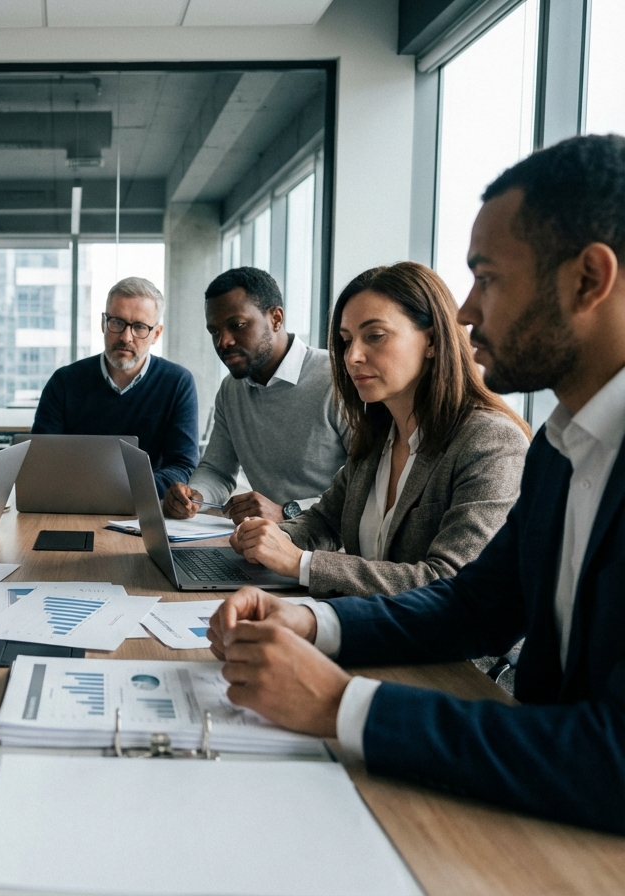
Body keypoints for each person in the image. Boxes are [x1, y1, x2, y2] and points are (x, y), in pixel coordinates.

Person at [208, 134, 625, 834]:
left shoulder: (509, 442)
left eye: (486, 277)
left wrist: (343, 706)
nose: (464, 311)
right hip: (542, 819)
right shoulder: (561, 445)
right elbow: (476, 604)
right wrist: (312, 620)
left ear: (588, 279)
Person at [229, 262, 530, 597]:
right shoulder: (378, 436)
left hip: (450, 650)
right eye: (346, 340)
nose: (352, 356)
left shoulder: (490, 441)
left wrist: (301, 563)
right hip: (369, 634)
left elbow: (452, 583)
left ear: (431, 341)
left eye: (375, 336)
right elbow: (325, 521)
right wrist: (271, 537)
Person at [164, 268, 349, 525]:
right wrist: (195, 497)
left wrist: (288, 511)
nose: (223, 342)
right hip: (268, 544)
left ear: (276, 318)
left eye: (237, 326)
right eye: (214, 331)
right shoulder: (231, 390)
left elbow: (366, 488)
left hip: (333, 550)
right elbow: (217, 470)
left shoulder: (337, 379)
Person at [31, 276, 198, 495]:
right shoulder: (64, 381)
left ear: (156, 334)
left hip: (144, 507)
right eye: (117, 322)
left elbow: (182, 465)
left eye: (139, 327)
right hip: (73, 502)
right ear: (103, 323)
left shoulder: (177, 383)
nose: (126, 337)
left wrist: (124, 490)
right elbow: (40, 459)